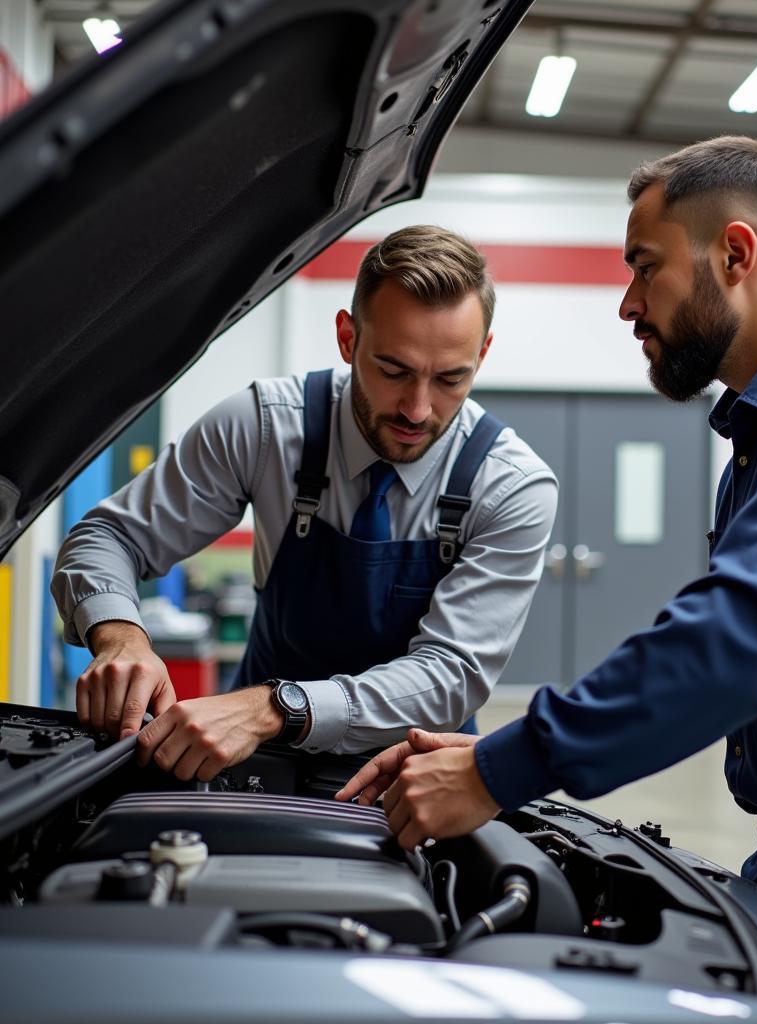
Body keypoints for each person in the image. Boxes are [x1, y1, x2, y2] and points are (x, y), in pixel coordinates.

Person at [337, 139, 757, 1023]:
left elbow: (732, 644)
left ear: (735, 254)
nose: (627, 303)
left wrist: (500, 767)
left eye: (644, 267)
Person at [52, 225, 557, 782]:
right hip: (251, 757)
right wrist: (121, 634)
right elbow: (108, 537)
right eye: (393, 371)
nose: (417, 408)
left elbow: (451, 674)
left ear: (482, 355)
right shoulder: (266, 427)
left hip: (412, 773)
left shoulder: (511, 486)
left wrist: (274, 707)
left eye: (450, 378)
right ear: (347, 337)